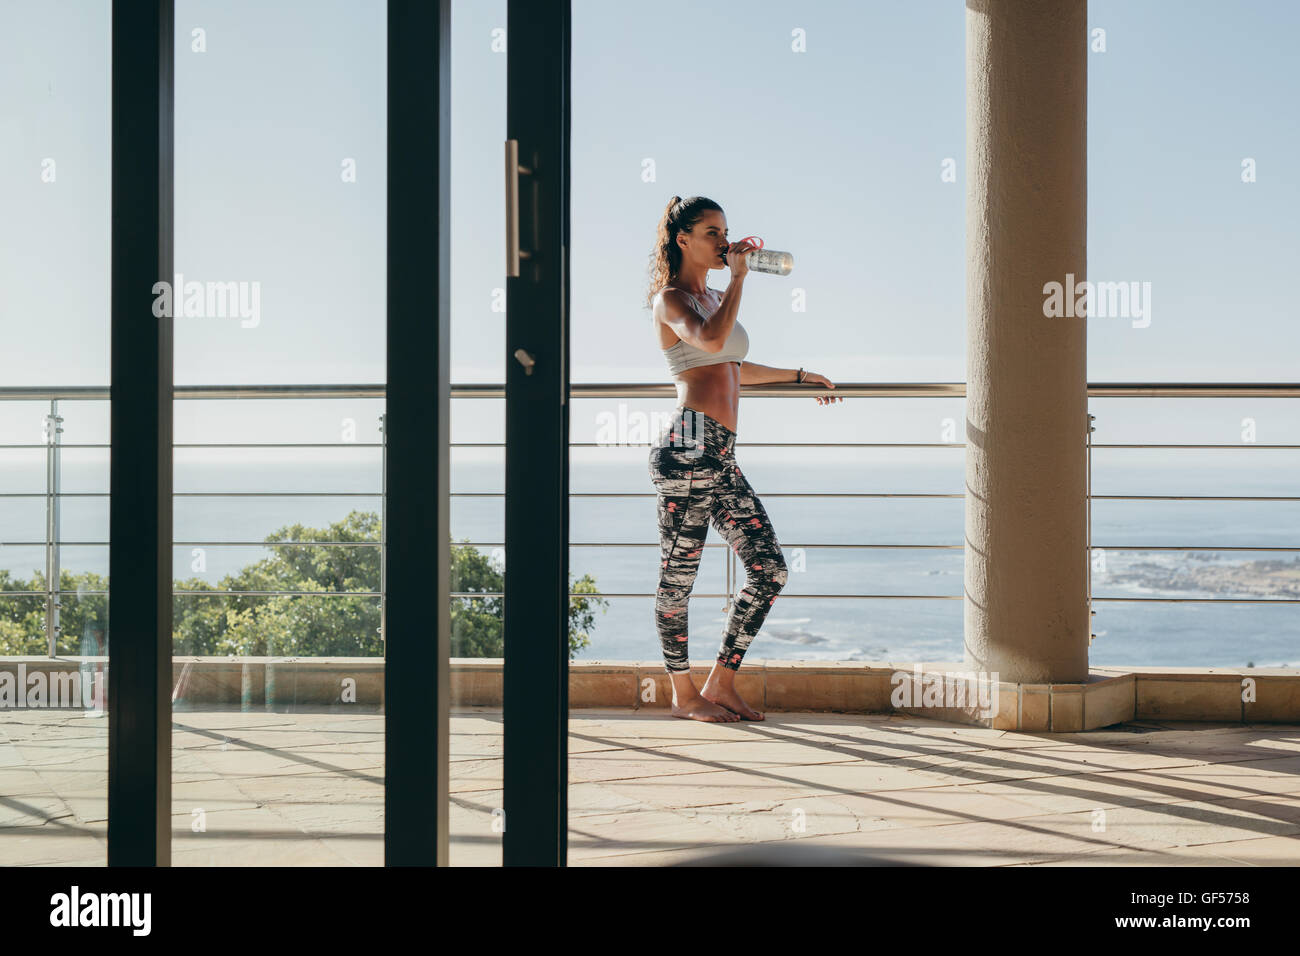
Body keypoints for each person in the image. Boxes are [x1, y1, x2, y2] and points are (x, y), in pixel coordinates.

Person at [645, 195, 842, 722]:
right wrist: (737, 282)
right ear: (683, 239)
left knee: (769, 569)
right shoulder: (672, 300)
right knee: (678, 577)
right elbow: (710, 344)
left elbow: (734, 366)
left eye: (725, 232)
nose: (724, 242)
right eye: (712, 233)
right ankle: (683, 695)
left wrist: (799, 376)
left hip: (721, 454)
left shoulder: (711, 296)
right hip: (687, 449)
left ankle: (721, 682)